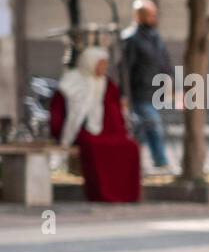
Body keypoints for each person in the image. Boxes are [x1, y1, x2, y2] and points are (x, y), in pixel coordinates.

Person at [49, 46, 141, 203]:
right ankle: (101, 194)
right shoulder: (71, 81)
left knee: (130, 147)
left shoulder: (108, 84)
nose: (104, 68)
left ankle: (126, 194)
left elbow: (115, 111)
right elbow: (59, 112)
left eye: (105, 64)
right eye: (101, 63)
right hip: (81, 131)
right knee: (95, 147)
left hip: (109, 132)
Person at [121, 0, 173, 172]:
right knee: (151, 125)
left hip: (155, 91)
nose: (154, 17)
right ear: (140, 16)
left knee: (144, 129)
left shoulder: (154, 36)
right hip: (139, 92)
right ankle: (160, 161)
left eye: (154, 14)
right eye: (150, 15)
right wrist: (124, 94)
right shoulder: (131, 38)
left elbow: (164, 61)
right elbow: (125, 68)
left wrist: (170, 82)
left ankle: (140, 164)